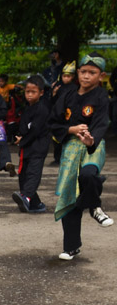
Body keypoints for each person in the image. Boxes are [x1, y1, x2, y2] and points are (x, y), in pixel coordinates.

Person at [51, 53, 113, 260]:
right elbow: (53, 122)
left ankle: (95, 207)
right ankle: (71, 247)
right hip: (70, 149)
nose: (86, 76)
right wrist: (71, 129)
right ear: (78, 73)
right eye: (83, 72)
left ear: (101, 76)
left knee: (88, 175)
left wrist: (91, 139)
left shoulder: (102, 98)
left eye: (92, 73)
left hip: (93, 146)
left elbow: (102, 123)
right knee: (69, 196)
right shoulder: (67, 95)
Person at [12, 76, 50, 213]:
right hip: (27, 147)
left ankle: (26, 197)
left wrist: (22, 140)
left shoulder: (42, 109)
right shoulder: (27, 107)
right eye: (27, 91)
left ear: (41, 92)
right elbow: (23, 126)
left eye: (33, 92)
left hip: (38, 147)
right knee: (23, 174)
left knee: (33, 173)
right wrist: (19, 137)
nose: (29, 95)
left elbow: (35, 130)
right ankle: (35, 204)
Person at [49, 61, 78, 166]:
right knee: (55, 137)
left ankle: (66, 158)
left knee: (65, 137)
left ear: (73, 77)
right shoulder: (59, 87)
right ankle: (57, 158)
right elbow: (53, 102)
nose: (65, 78)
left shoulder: (74, 88)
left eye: (68, 76)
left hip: (67, 115)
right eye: (64, 76)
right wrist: (54, 94)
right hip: (57, 115)